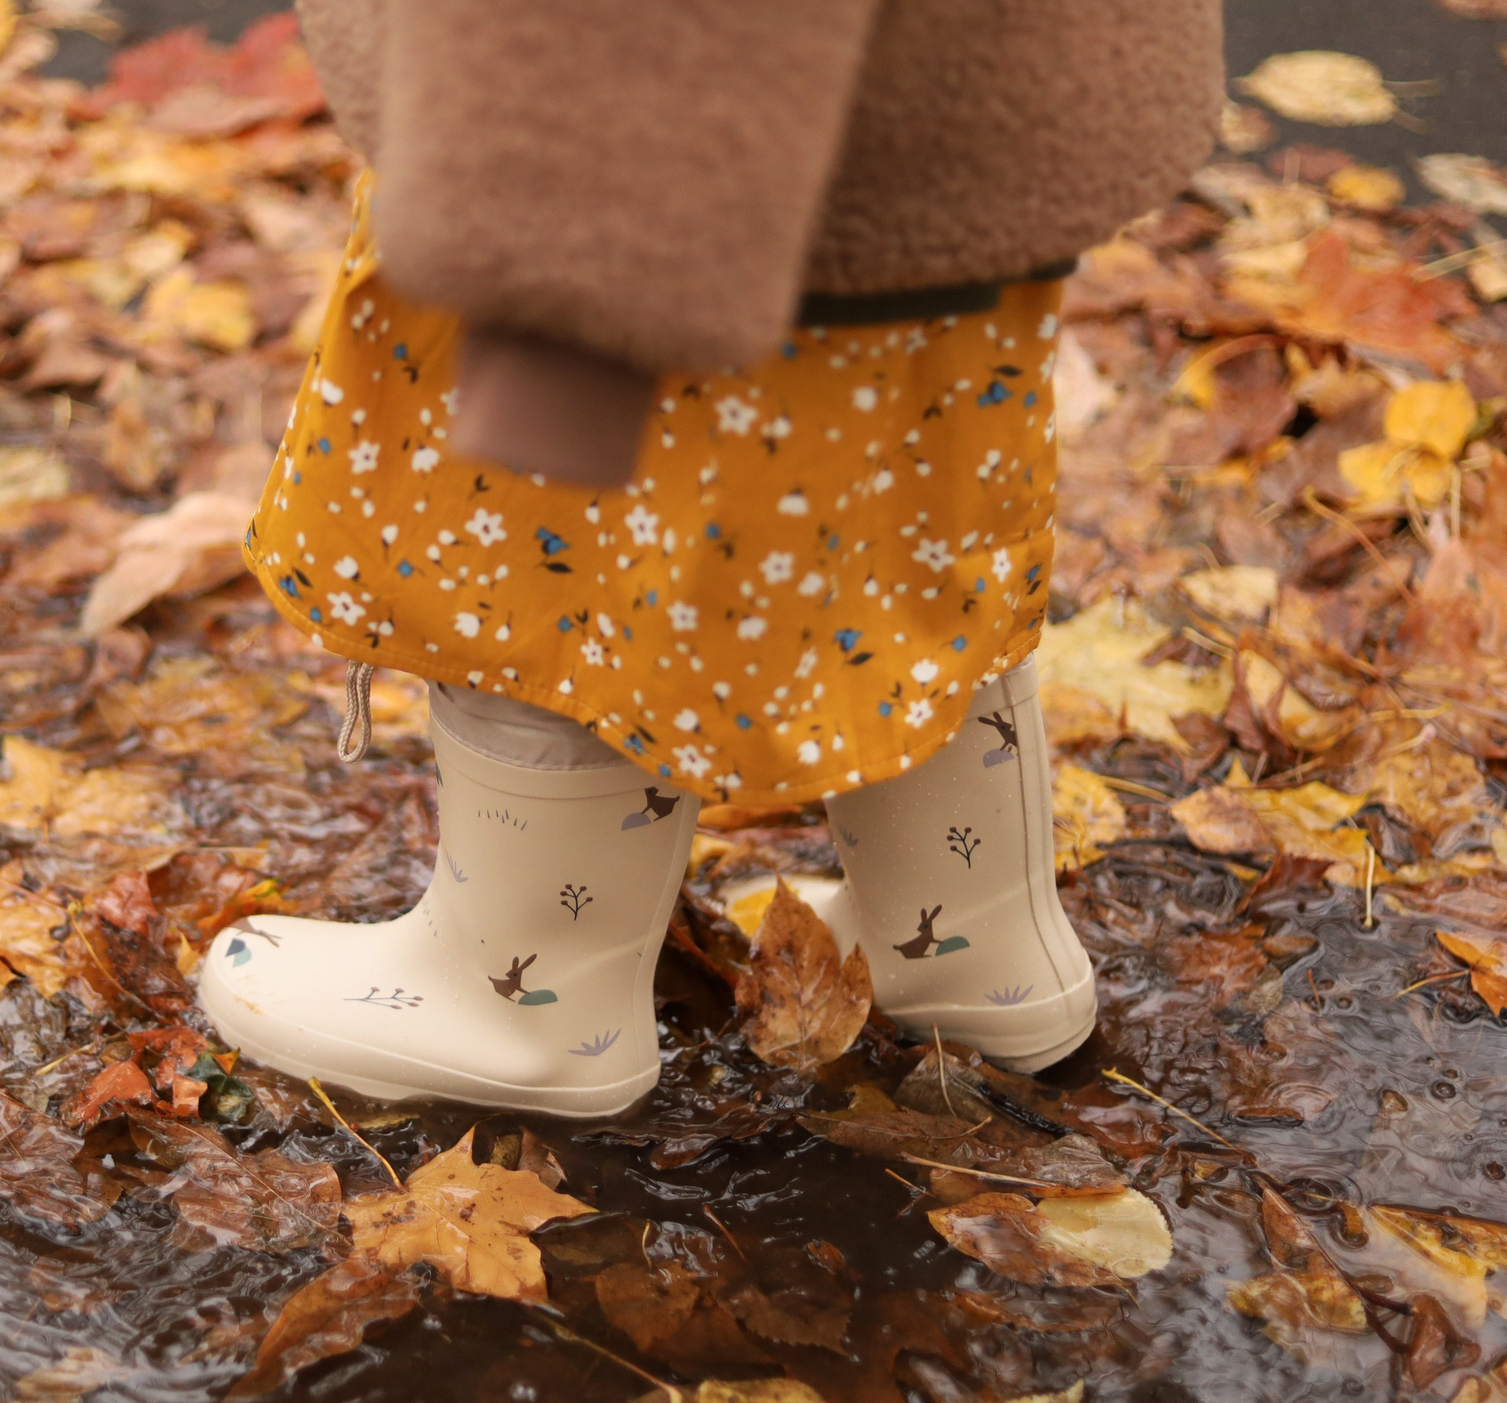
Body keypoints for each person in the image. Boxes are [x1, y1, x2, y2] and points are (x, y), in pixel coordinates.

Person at [197, 0, 1224, 1117]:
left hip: (659, 179)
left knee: (551, 554)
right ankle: (978, 952)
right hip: (941, 115)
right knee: (909, 512)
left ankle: (528, 1005)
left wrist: (566, 293)